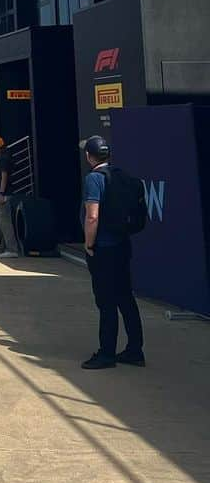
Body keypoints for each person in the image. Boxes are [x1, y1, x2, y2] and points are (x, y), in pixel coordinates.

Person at [81, 135, 145, 370]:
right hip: (122, 245)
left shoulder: (94, 179)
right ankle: (135, 350)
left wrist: (89, 244)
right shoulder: (122, 176)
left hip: (103, 249)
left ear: (89, 156)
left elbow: (92, 216)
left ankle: (106, 353)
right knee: (126, 298)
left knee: (106, 302)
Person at [0, 137, 19, 257]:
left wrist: (1, 193)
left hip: (4, 193)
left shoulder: (3, 159)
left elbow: (4, 176)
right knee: (0, 220)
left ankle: (12, 249)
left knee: (5, 221)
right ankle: (2, 246)